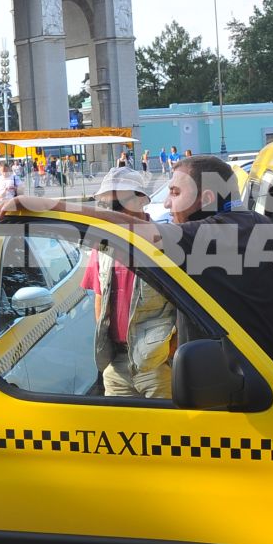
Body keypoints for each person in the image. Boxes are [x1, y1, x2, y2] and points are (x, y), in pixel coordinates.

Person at [0, 153, 273, 544]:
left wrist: (36, 204)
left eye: (176, 193)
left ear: (206, 199)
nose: (166, 205)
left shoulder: (213, 235)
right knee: (254, 530)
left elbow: (125, 227)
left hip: (227, 404)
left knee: (219, 531)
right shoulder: (260, 229)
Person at [77, 169, 176, 398]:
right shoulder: (102, 244)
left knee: (164, 432)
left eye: (118, 204)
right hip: (117, 363)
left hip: (158, 364)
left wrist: (172, 350)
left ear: (142, 200)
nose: (113, 212)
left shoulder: (165, 241)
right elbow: (100, 296)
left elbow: (185, 303)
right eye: (108, 205)